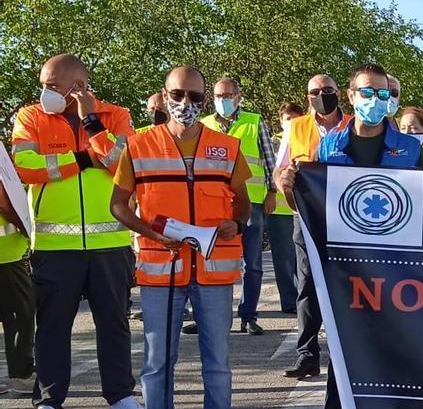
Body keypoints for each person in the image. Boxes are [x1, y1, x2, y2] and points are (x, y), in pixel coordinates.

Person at [279, 63, 423, 408]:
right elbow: (310, 207)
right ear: (351, 96)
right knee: (345, 355)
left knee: (392, 352)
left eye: (382, 93)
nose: (375, 100)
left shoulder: (408, 149)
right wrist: (289, 189)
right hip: (347, 271)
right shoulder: (330, 147)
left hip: (396, 273)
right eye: (367, 92)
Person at [109, 65, 251, 409]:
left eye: (195, 96)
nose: (186, 102)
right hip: (162, 271)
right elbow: (118, 205)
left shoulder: (227, 147)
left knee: (218, 364)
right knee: (157, 364)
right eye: (178, 94)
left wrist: (237, 222)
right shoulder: (139, 146)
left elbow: (244, 203)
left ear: (204, 100)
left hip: (214, 271)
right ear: (164, 94)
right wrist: (152, 234)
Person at [10, 54, 138, 409]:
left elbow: (122, 163)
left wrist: (91, 123)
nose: (44, 92)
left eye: (52, 85)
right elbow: (26, 167)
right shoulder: (31, 116)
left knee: (114, 326)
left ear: (78, 87)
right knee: (51, 329)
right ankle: (50, 398)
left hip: (110, 242)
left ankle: (121, 395)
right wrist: (80, 160)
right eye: (43, 85)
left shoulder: (117, 115)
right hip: (54, 246)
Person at [196, 77, 295, 335]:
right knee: (210, 261)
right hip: (214, 204)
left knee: (252, 263)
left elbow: (270, 159)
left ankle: (248, 315)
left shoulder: (253, 122)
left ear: (239, 98)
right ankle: (208, 315)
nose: (223, 100)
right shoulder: (204, 125)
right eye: (218, 95)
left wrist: (272, 193)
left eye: (228, 95)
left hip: (251, 204)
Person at [274, 74, 351, 381]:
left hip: (345, 220)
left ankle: (346, 355)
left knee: (346, 288)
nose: (321, 95)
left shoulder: (354, 125)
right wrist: (287, 188)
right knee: (308, 287)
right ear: (307, 97)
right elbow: (280, 172)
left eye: (327, 90)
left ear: (339, 93)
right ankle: (307, 355)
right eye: (314, 92)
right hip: (305, 216)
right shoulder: (296, 127)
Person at [0, 147, 34, 396]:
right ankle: (21, 375)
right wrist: (26, 227)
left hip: (8, 255)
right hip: (6, 257)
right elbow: (5, 202)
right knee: (20, 317)